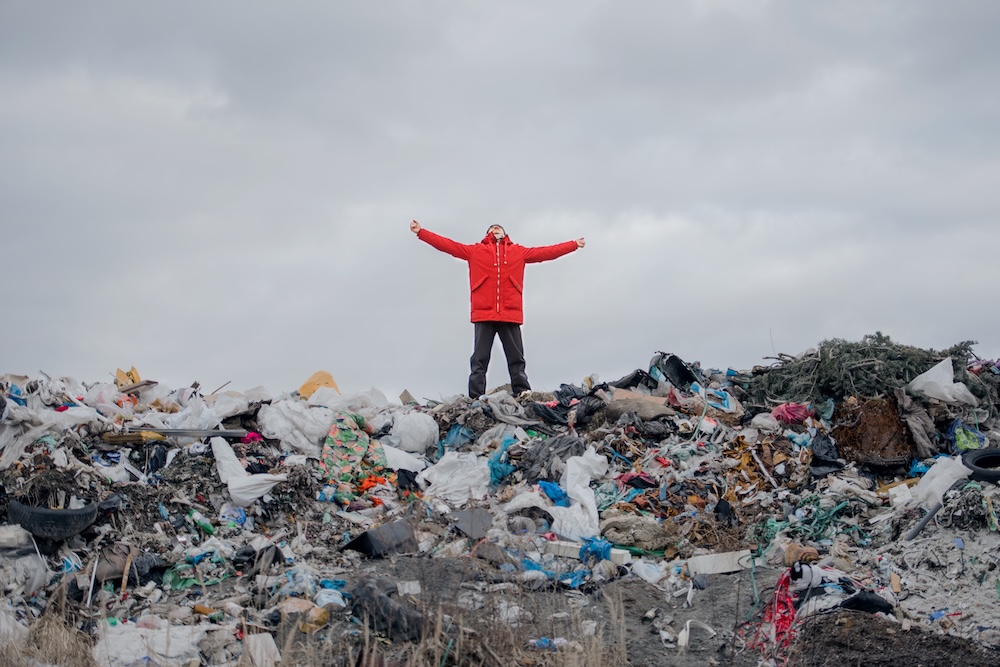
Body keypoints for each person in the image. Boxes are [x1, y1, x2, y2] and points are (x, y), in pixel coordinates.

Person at [410, 220, 585, 398]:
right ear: (488, 234)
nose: (496, 228)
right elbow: (448, 245)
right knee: (479, 359)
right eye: (492, 227)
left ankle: (523, 392)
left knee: (516, 358)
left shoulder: (518, 252)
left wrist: (573, 245)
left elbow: (546, 252)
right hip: (484, 312)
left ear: (505, 233)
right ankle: (476, 397)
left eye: (498, 227)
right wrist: (421, 232)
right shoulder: (475, 251)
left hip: (510, 312)